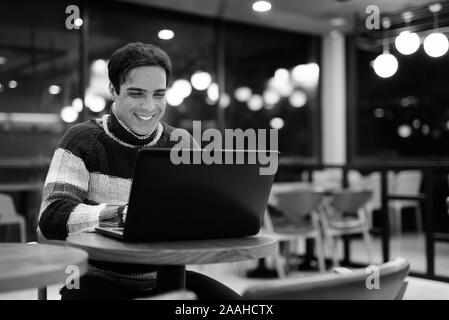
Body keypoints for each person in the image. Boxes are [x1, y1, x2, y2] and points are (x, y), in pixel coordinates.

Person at [38, 42, 240, 300]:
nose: (149, 106)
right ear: (113, 90)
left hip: (168, 275)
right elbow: (52, 216)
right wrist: (124, 214)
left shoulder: (182, 143)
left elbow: (199, 211)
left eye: (159, 94)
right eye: (136, 93)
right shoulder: (81, 140)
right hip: (93, 278)